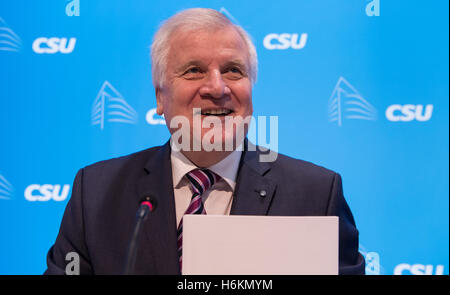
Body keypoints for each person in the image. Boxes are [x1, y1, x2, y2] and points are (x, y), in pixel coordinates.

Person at [44, 8, 365, 275]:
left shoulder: (317, 194)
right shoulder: (96, 193)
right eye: (194, 70)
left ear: (251, 90)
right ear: (160, 96)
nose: (217, 87)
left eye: (233, 71)